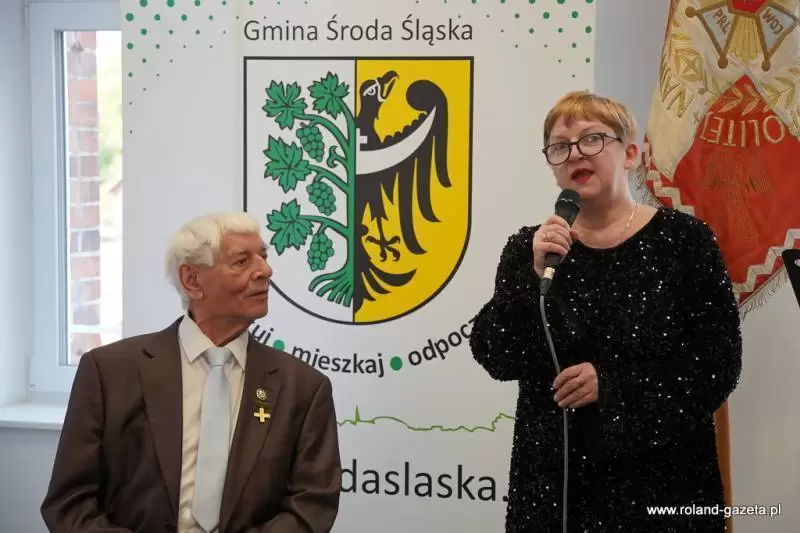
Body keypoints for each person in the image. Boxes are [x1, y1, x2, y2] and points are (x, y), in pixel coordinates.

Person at [469, 91, 742, 532]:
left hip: (662, 485)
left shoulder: (684, 242)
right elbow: (496, 356)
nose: (575, 153)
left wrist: (612, 386)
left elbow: (717, 363)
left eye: (592, 139)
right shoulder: (530, 249)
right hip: (555, 489)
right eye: (560, 146)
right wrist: (530, 277)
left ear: (630, 154)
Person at [41, 212, 342, 533]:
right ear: (192, 281)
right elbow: (69, 503)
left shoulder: (304, 388)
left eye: (263, 257)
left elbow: (311, 507)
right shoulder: (109, 372)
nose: (265, 271)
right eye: (242, 261)